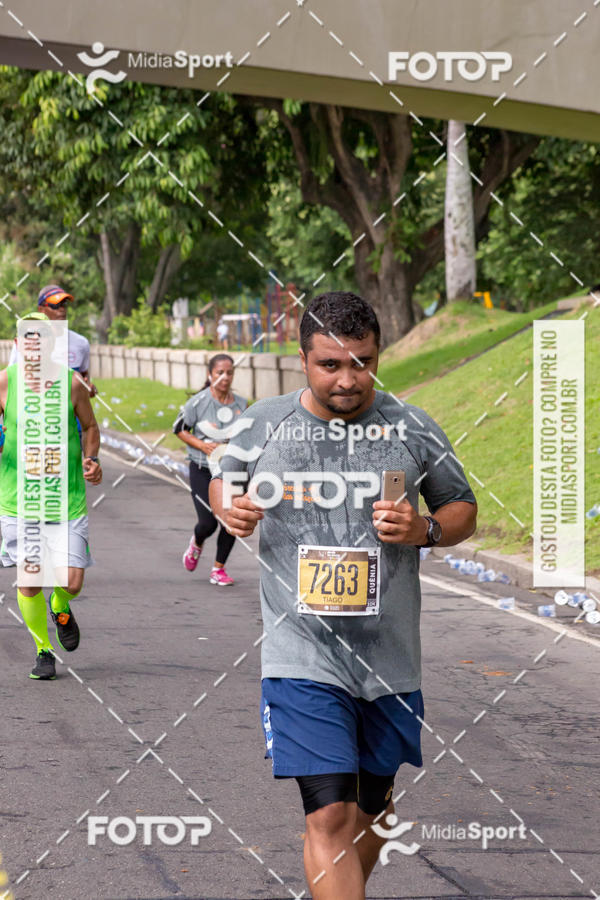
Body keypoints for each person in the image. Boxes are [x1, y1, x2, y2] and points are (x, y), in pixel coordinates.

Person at [210, 292, 478, 900]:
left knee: (372, 812)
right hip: (300, 652)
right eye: (330, 364)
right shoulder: (264, 422)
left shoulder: (411, 426)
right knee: (329, 813)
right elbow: (225, 481)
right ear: (302, 359)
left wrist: (425, 529)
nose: (348, 379)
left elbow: (462, 508)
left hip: (389, 659)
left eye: (362, 362)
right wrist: (232, 510)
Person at [0, 312, 102, 680]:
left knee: (72, 581)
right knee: (30, 581)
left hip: (66, 498)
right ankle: (43, 650)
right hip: (19, 499)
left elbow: (90, 427)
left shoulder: (72, 384)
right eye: (27, 339)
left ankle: (60, 605)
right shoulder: (5, 383)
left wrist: (91, 460)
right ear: (17, 344)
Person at [173, 353, 247, 586]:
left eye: (229, 373)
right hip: (203, 468)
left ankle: (218, 569)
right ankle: (197, 541)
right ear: (210, 374)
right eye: (220, 373)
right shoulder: (198, 402)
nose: (225, 377)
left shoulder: (241, 404)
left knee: (231, 520)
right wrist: (202, 445)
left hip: (231, 471)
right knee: (208, 523)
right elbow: (179, 428)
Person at [8, 284, 97, 397]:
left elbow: (84, 377)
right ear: (41, 309)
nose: (62, 309)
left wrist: (88, 388)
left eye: (64, 304)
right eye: (55, 305)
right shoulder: (27, 342)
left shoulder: (81, 343)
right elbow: (11, 381)